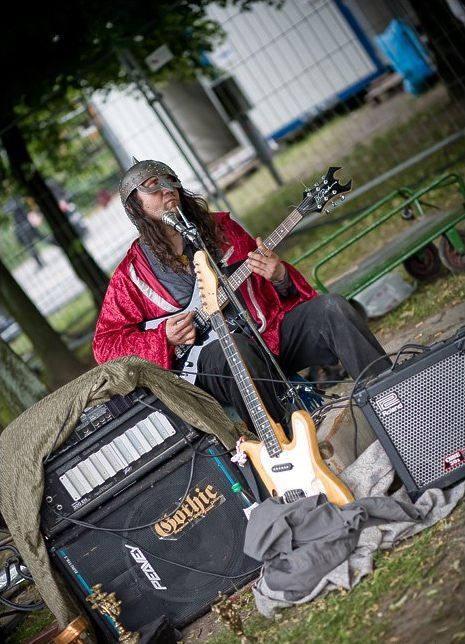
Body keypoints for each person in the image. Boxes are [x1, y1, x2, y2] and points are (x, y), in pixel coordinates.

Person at [93, 159, 392, 430]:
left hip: (266, 334)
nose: (166, 189)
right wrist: (162, 338)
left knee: (332, 308)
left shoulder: (221, 230)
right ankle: (287, 446)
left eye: (170, 180)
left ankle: (390, 397)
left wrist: (280, 276)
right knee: (233, 347)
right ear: (135, 207)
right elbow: (104, 346)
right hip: (210, 365)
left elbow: (275, 292)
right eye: (151, 187)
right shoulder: (132, 275)